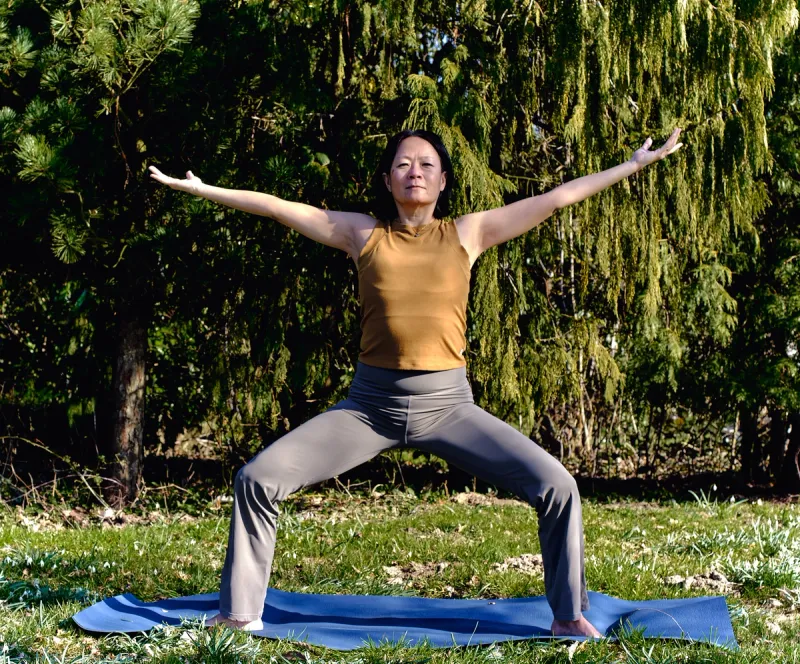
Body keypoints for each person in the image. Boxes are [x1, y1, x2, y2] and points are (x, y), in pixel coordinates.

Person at [149, 126, 682, 638]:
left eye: (427, 164)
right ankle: (241, 616)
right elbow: (277, 207)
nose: (415, 172)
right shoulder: (362, 233)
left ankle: (567, 615)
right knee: (257, 479)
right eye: (403, 164)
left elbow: (558, 198)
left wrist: (632, 166)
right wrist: (202, 190)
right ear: (388, 180)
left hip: (449, 406)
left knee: (558, 486)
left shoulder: (467, 233)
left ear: (443, 180)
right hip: (369, 407)